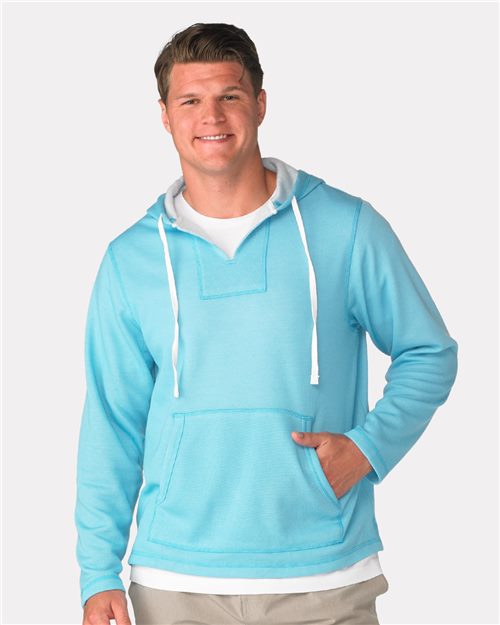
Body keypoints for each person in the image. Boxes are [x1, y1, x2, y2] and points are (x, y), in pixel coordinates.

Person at [74, 22, 459, 625]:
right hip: (175, 582)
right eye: (190, 100)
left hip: (325, 574)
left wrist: (367, 448)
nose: (211, 116)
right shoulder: (131, 260)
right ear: (165, 116)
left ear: (259, 103)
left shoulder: (345, 228)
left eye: (228, 95)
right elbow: (112, 422)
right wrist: (98, 573)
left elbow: (429, 351)